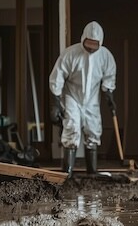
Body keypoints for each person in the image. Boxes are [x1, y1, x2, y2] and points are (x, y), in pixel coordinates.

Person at [49, 21, 117, 177]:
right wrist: (56, 104)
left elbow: (109, 77)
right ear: (83, 40)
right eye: (89, 44)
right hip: (72, 95)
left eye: (95, 45)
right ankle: (67, 172)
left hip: (92, 99)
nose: (92, 48)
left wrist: (109, 96)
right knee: (71, 128)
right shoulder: (70, 54)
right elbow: (57, 77)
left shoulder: (105, 56)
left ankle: (92, 172)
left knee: (93, 130)